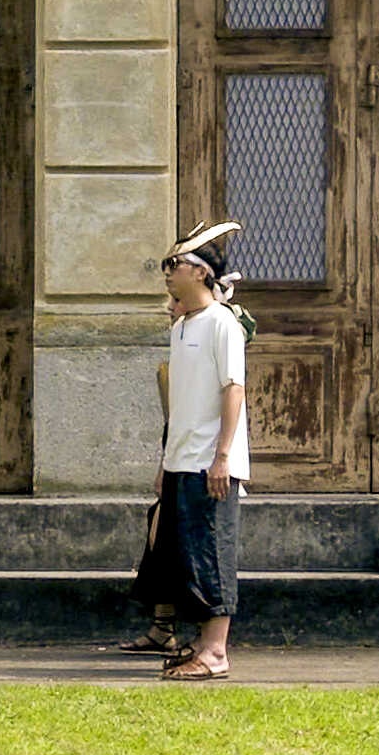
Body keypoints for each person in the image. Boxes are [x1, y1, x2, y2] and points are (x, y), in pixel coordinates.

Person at [131, 221, 250, 682]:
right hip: (182, 460)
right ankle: (201, 644)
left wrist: (223, 456)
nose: (166, 272)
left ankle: (217, 651)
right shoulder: (183, 327)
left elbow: (233, 389)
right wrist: (166, 462)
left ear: (200, 273)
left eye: (174, 265)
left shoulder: (223, 324)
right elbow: (180, 403)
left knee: (212, 552)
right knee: (188, 556)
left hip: (210, 463)